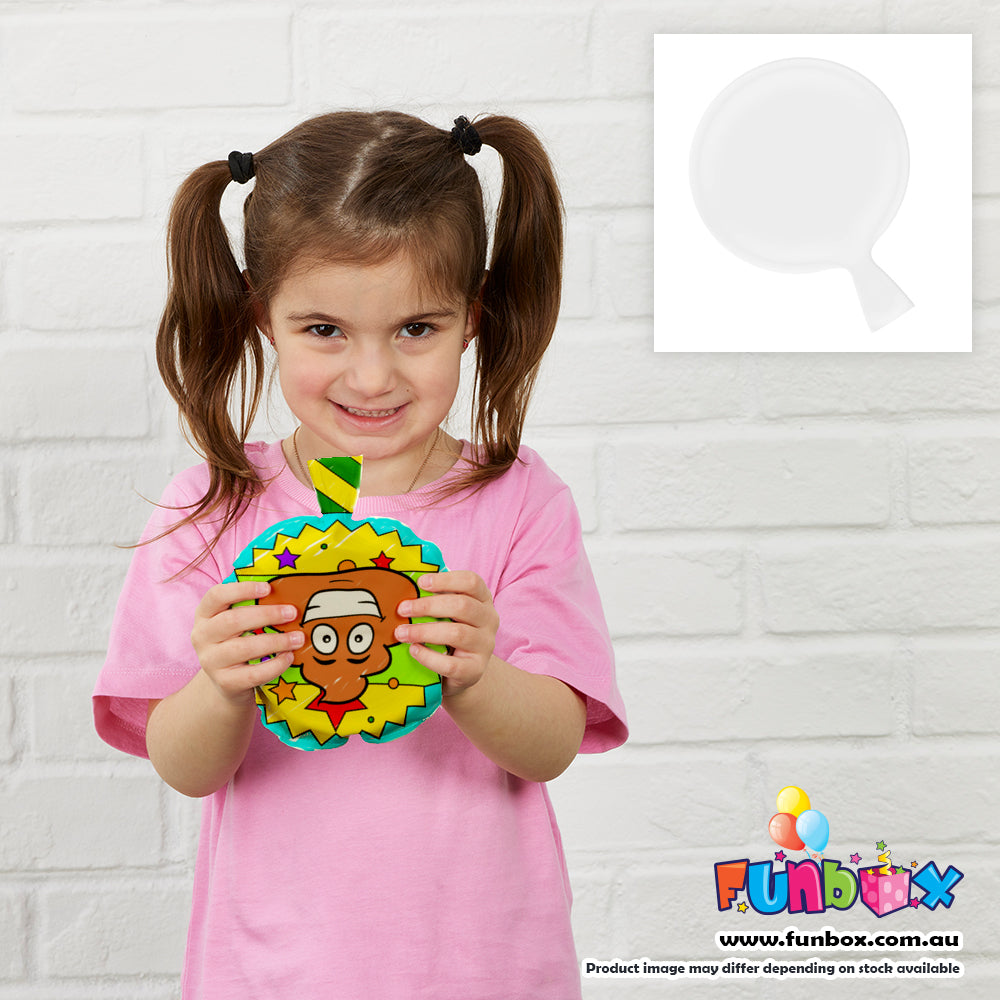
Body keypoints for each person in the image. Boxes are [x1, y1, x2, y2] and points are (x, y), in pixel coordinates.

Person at [94, 110, 627, 999]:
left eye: (417, 328)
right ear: (263, 318)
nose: (372, 377)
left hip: (485, 967)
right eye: (324, 330)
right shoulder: (209, 509)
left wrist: (477, 676)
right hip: (272, 970)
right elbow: (184, 769)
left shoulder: (521, 502)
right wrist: (220, 687)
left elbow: (551, 746)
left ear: (472, 318)